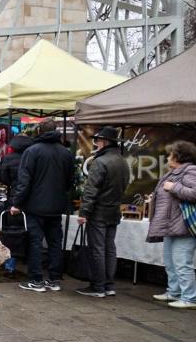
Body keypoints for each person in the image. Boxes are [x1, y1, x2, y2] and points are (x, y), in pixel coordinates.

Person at [10, 119, 74, 293]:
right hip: (57, 205)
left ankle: (36, 279)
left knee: (35, 242)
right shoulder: (65, 153)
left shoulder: (32, 151)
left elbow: (24, 181)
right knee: (55, 243)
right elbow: (70, 181)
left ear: (39, 131)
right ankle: (54, 279)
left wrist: (17, 203)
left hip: (35, 206)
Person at [147, 140, 196, 309]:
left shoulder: (192, 170)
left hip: (185, 226)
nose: (167, 158)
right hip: (173, 225)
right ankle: (174, 292)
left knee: (181, 262)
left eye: (170, 154)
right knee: (171, 262)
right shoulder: (175, 172)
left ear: (179, 156)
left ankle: (190, 298)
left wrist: (174, 187)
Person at [75, 127, 130, 298]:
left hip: (99, 212)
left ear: (104, 142)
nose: (96, 143)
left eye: (97, 140)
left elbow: (91, 190)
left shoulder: (101, 162)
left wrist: (83, 212)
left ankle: (98, 286)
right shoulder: (122, 161)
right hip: (113, 211)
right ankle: (108, 285)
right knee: (109, 248)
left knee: (98, 249)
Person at [0, 131, 35, 278]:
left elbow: (4, 178)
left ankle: (10, 266)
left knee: (12, 232)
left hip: (13, 197)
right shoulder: (32, 158)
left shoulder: (7, 159)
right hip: (31, 199)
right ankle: (30, 264)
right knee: (31, 233)